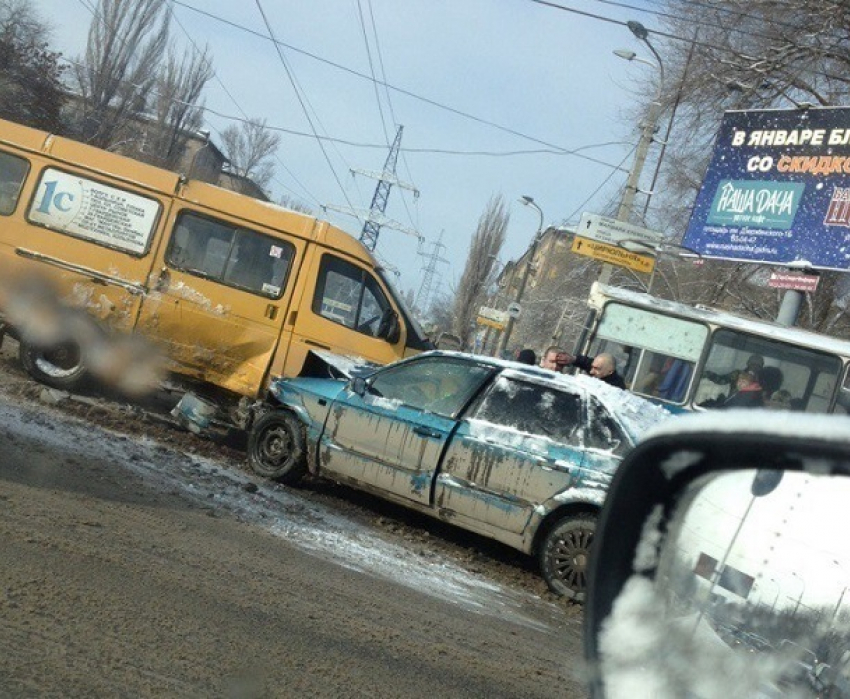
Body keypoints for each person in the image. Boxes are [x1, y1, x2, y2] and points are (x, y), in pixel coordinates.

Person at [560, 351, 626, 389]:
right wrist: (571, 359)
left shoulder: (616, 388)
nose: (591, 371)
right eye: (592, 367)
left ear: (610, 371)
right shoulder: (597, 366)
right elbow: (585, 361)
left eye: (597, 369)